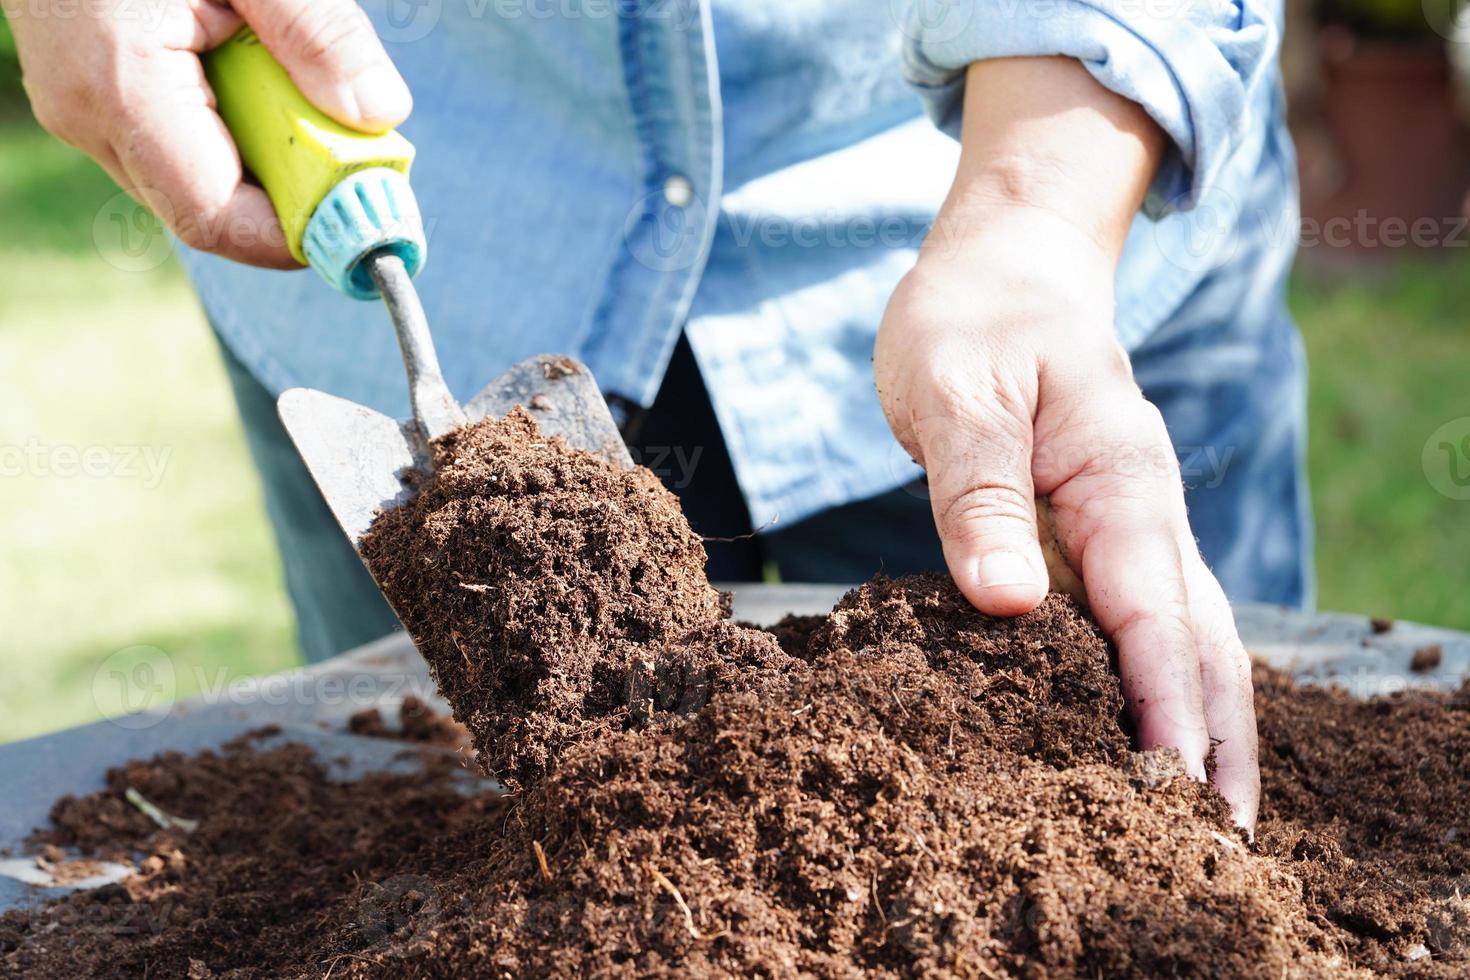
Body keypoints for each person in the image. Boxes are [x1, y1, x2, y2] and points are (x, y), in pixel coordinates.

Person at [6, 0, 1307, 830]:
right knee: (470, 823)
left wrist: (1035, 212)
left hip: (1022, 209)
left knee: (1135, 798)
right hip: (453, 188)